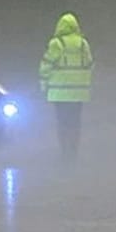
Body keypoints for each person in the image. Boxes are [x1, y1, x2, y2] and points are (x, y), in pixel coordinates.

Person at [38, 11, 94, 164]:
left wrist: (43, 86)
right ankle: (73, 153)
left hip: (59, 94)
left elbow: (45, 66)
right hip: (79, 94)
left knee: (62, 124)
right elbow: (89, 65)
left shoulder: (57, 44)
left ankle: (64, 154)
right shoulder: (83, 44)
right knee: (75, 124)